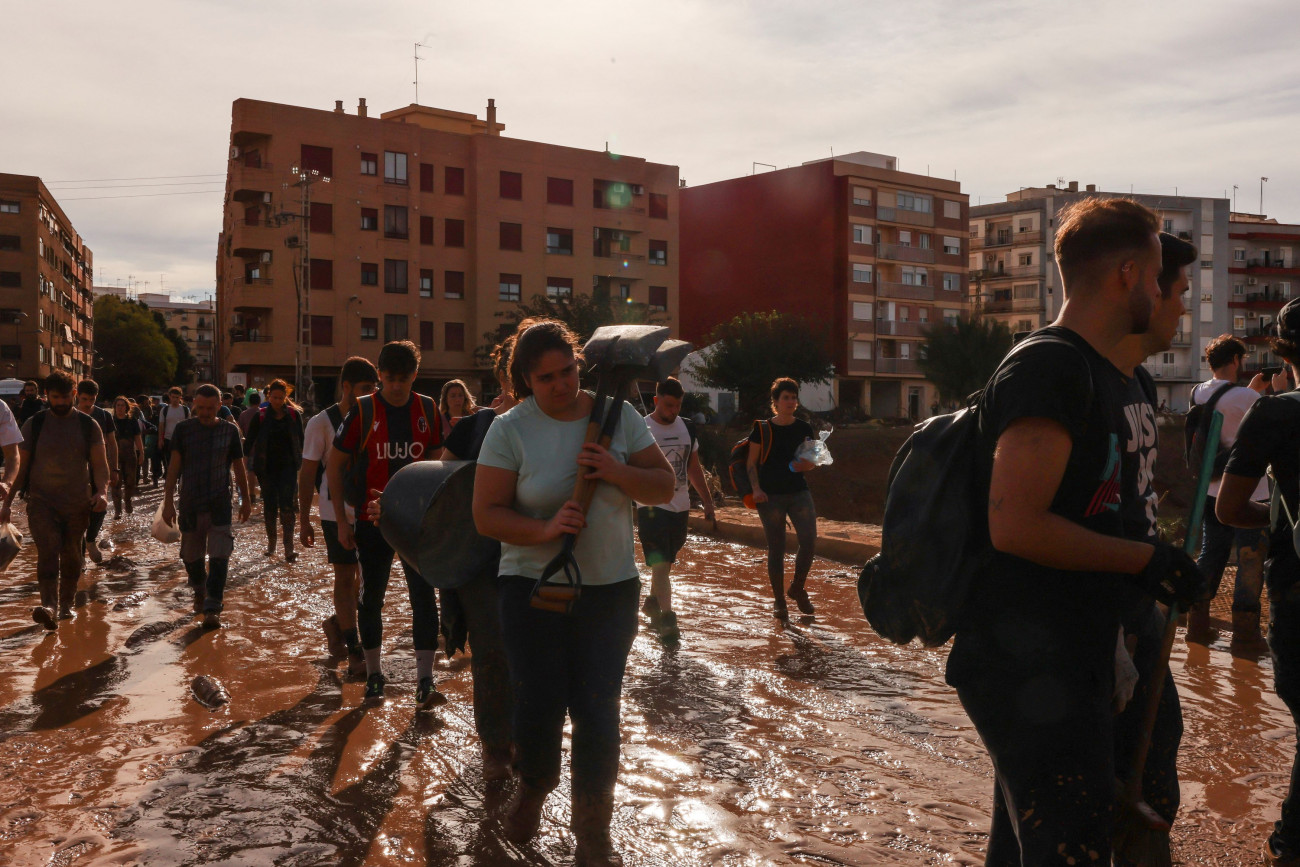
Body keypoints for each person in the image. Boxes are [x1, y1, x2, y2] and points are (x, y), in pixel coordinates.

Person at [945, 198, 1207, 865]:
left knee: (1058, 832)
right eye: (1155, 277)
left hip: (1100, 642)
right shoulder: (1049, 368)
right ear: (1127, 274)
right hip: (1034, 656)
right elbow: (1015, 523)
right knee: (1068, 841)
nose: (1159, 290)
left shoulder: (1128, 380)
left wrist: (1145, 579)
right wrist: (1143, 558)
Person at [473, 319, 674, 862]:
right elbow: (486, 515)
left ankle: (592, 826)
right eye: (546, 379)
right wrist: (544, 530)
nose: (561, 385)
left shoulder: (619, 417)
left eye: (568, 372)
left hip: (609, 589)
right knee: (539, 702)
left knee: (598, 708)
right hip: (531, 587)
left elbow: (663, 485)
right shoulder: (510, 428)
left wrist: (615, 469)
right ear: (524, 381)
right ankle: (534, 787)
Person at [1105, 231, 1198, 834]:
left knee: (1159, 740)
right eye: (1180, 292)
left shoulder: (1139, 383)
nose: (1184, 308)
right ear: (1143, 287)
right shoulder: (1071, 375)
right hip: (1089, 625)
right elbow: (1021, 524)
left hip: (1137, 607)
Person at [1217, 299, 1300, 866]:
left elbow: (1228, 508)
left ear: (1282, 351)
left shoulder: (1275, 414)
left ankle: (1290, 845)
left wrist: (1275, 527)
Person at [326, 340, 444, 707]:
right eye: (390, 378)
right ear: (379, 375)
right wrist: (343, 522)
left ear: (415, 376)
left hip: (416, 525)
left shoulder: (427, 408)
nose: (396, 386)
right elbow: (334, 463)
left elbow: (438, 464)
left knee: (424, 598)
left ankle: (425, 681)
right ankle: (375, 675)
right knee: (371, 597)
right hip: (370, 521)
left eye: (404, 379)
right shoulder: (362, 410)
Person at [436, 330, 521, 782]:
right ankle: (496, 746)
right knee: (491, 652)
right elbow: (440, 488)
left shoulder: (564, 427)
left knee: (535, 653)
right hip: (482, 559)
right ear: (505, 376)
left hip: (541, 554)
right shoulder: (474, 427)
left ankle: (528, 738)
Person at [1188, 334, 1276, 647]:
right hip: (1250, 493)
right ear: (1236, 360)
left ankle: (1196, 626)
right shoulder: (1246, 398)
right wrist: (1273, 393)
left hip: (1212, 490)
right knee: (1251, 560)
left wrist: (1250, 392)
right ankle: (1246, 635)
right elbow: (1265, 421)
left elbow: (1229, 415)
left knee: (1211, 553)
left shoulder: (1198, 392)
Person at [2, 371, 108, 630]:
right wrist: (6, 503)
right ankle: (48, 606)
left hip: (77, 503)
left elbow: (99, 464)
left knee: (72, 554)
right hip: (41, 502)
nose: (60, 402)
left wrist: (102, 491)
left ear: (74, 394)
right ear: (46, 396)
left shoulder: (88, 425)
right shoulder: (34, 424)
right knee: (48, 550)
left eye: (65, 397)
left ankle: (67, 606)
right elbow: (22, 467)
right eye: (55, 397)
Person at [300, 357, 377, 674]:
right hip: (334, 512)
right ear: (346, 387)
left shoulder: (377, 417)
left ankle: (336, 623)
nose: (370, 394)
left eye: (373, 388)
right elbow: (306, 474)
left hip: (370, 511)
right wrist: (304, 518)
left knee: (367, 582)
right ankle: (355, 649)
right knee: (345, 578)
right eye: (363, 389)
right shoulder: (321, 423)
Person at [162, 384, 252, 629]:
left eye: (210, 408)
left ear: (219, 406)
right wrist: (168, 501)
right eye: (200, 407)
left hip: (220, 502)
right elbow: (174, 468)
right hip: (190, 502)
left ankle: (213, 606)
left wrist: (247, 498)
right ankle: (200, 588)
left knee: (220, 555)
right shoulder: (183, 430)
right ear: (194, 405)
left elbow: (239, 466)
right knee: (191, 557)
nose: (204, 412)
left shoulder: (230, 431)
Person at [636, 376, 716, 643]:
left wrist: (706, 499)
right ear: (656, 400)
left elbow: (693, 467)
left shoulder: (688, 428)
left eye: (678, 406)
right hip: (650, 506)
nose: (673, 411)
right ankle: (668, 619)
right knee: (660, 564)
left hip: (680, 506)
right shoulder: (640, 428)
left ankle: (650, 601)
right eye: (668, 405)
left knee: (666, 562)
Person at [747, 377, 818, 618]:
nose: (790, 401)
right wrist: (756, 489)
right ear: (775, 401)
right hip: (770, 497)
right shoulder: (762, 428)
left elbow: (812, 460)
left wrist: (807, 466)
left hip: (799, 492)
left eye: (793, 397)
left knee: (809, 541)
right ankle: (779, 602)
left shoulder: (804, 428)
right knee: (776, 548)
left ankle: (797, 588)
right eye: (785, 397)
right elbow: (751, 464)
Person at [244, 379, 305, 562]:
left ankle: (289, 547)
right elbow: (249, 442)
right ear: (268, 396)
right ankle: (271, 543)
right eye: (274, 397)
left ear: (285, 397)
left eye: (281, 397)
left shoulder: (294, 416)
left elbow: (302, 442)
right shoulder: (260, 416)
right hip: (265, 469)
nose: (277, 401)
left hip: (288, 467)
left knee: (287, 506)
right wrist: (242, 463)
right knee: (270, 506)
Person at [75, 380, 118, 565]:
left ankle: (91, 539)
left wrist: (114, 469)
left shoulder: (103, 416)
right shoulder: (69, 414)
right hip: (74, 471)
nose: (88, 403)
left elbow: (112, 443)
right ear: (77, 395)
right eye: (84, 399)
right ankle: (79, 556)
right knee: (76, 513)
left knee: (99, 507)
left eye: (91, 399)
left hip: (99, 469)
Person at [110, 397, 144, 517]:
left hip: (130, 454)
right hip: (115, 456)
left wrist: (141, 452)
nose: (120, 407)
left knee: (130, 482)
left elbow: (138, 437)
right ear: (114, 407)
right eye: (118, 405)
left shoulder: (132, 421)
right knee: (116, 483)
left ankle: (128, 500)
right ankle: (117, 510)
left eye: (122, 405)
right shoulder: (110, 420)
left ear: (127, 407)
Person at [158, 387, 190, 474]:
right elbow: (161, 425)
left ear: (180, 397)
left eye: (177, 397)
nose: (175, 399)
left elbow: (189, 425)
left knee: (182, 462)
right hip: (168, 439)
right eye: (173, 397)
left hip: (182, 440)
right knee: (169, 462)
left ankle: (179, 481)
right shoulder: (165, 410)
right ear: (169, 397)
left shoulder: (185, 410)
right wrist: (160, 439)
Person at [238, 390, 260, 505]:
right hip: (264, 448)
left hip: (249, 447)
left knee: (251, 471)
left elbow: (240, 431)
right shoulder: (263, 413)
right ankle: (265, 496)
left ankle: (251, 495)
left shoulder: (243, 414)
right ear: (259, 402)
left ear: (249, 402)